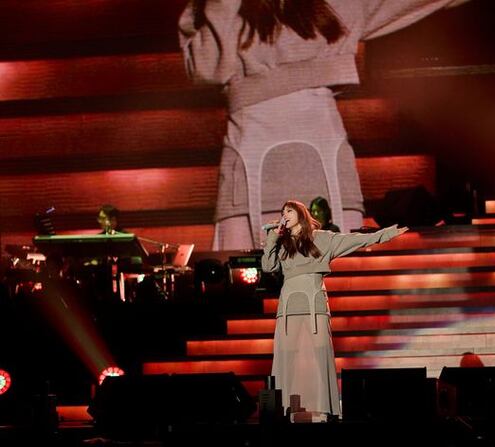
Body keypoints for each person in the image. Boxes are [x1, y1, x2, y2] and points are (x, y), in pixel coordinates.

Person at [179, 0, 471, 250]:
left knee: (332, 281)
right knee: (249, 284)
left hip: (319, 158)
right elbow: (205, 67)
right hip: (250, 162)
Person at [261, 199, 408, 417]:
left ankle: (322, 410)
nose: (285, 215)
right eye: (283, 212)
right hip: (289, 307)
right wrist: (272, 237)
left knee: (319, 356)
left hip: (315, 305)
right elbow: (268, 266)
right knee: (287, 356)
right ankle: (287, 410)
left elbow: (354, 240)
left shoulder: (323, 238)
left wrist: (384, 234)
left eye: (289, 211)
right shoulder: (282, 243)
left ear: (301, 214)